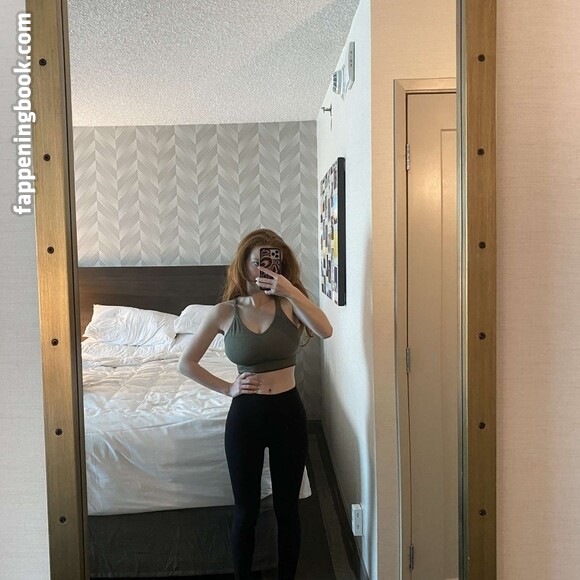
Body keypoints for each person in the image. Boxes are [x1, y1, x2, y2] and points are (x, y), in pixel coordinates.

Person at [178, 228, 333, 580]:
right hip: (246, 417)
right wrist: (227, 387)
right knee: (245, 511)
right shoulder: (223, 312)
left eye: (274, 260)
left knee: (287, 510)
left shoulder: (290, 305)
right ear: (244, 264)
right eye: (258, 260)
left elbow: (325, 330)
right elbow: (186, 363)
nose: (266, 266)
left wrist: (290, 290)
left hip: (288, 414)